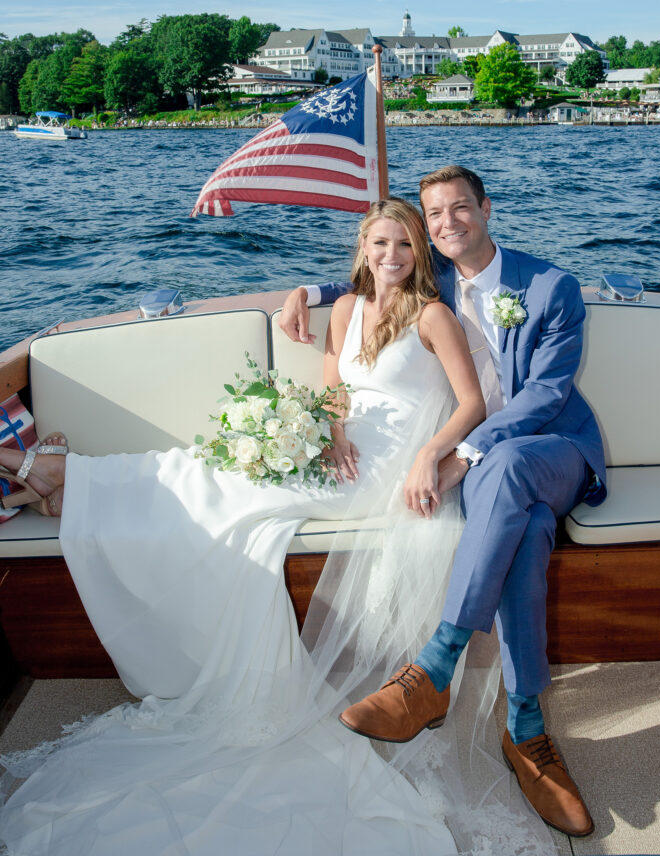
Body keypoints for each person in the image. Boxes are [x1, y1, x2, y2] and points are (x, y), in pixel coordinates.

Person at [0, 199, 557, 856]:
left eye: (404, 245)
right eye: (380, 244)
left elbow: (468, 404)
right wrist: (327, 431)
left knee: (209, 480)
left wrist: (425, 457)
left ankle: (48, 474)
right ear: (363, 247)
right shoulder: (346, 310)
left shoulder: (433, 316)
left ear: (418, 253)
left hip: (387, 468)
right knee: (199, 468)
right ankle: (57, 480)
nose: (391, 257)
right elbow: (334, 393)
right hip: (342, 452)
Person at [279, 166, 607, 838]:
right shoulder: (433, 279)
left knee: (511, 467)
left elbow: (544, 397)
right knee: (524, 528)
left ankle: (433, 666)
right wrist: (305, 291)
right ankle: (525, 728)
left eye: (461, 208)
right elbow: (369, 275)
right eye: (434, 215)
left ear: (485, 209)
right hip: (492, 472)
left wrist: (444, 451)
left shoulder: (549, 287)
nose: (448, 222)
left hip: (551, 448)